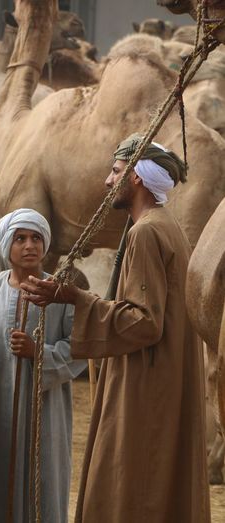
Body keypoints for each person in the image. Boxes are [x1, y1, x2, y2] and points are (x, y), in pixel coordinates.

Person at [21, 135, 211, 523]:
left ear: (138, 178)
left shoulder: (146, 232)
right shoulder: (165, 226)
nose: (108, 182)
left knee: (133, 478)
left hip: (145, 382)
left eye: (116, 171)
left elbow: (144, 322)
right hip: (161, 376)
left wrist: (74, 298)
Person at [0, 208, 87, 523]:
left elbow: (79, 349)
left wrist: (38, 352)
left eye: (35, 238)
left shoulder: (61, 293)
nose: (29, 245)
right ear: (6, 245)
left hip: (46, 412)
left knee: (42, 483)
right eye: (20, 238)